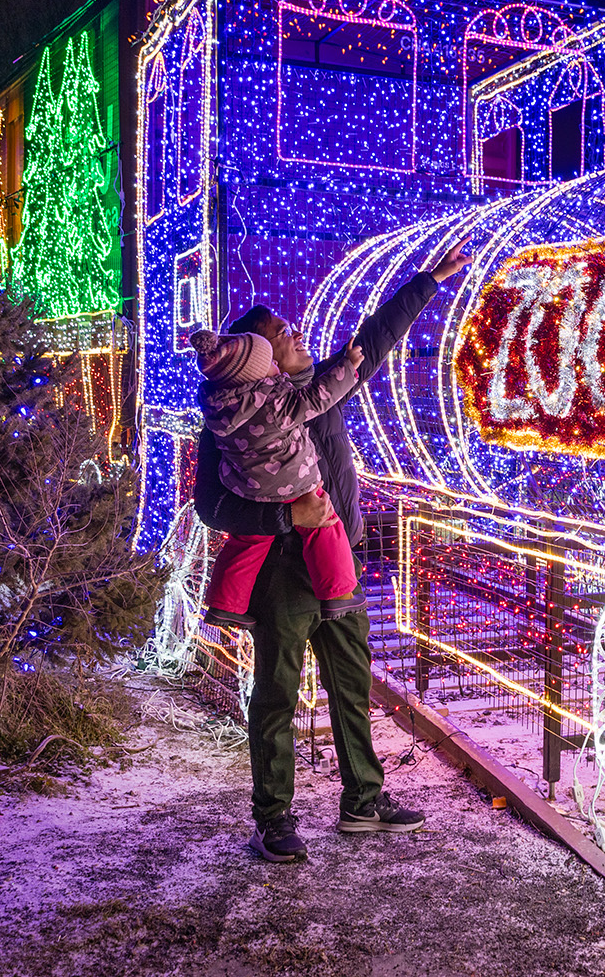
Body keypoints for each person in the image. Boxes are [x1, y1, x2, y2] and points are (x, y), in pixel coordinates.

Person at [195, 241, 470, 861]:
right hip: (281, 570)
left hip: (336, 562)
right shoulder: (229, 421)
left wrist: (427, 281)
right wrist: (283, 513)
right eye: (280, 333)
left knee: (352, 682)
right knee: (277, 694)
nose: (295, 334)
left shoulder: (319, 388)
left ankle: (363, 800)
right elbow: (210, 505)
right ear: (257, 356)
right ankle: (274, 818)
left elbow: (374, 340)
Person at [188, 328, 362, 626]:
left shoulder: (218, 409)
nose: (276, 367)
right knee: (324, 524)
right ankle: (338, 593)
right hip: (292, 481)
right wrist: (347, 367)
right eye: (269, 364)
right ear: (253, 375)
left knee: (248, 541)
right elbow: (317, 398)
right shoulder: (274, 404)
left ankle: (224, 604)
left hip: (248, 488)